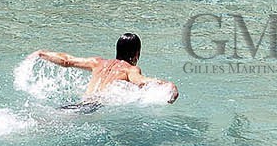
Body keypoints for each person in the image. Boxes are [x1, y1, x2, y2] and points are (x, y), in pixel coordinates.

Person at [33, 32, 178, 105]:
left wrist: (42, 53)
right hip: (93, 109)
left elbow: (66, 61)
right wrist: (169, 85)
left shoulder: (97, 62)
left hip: (80, 104)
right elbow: (141, 82)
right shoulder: (130, 70)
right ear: (137, 54)